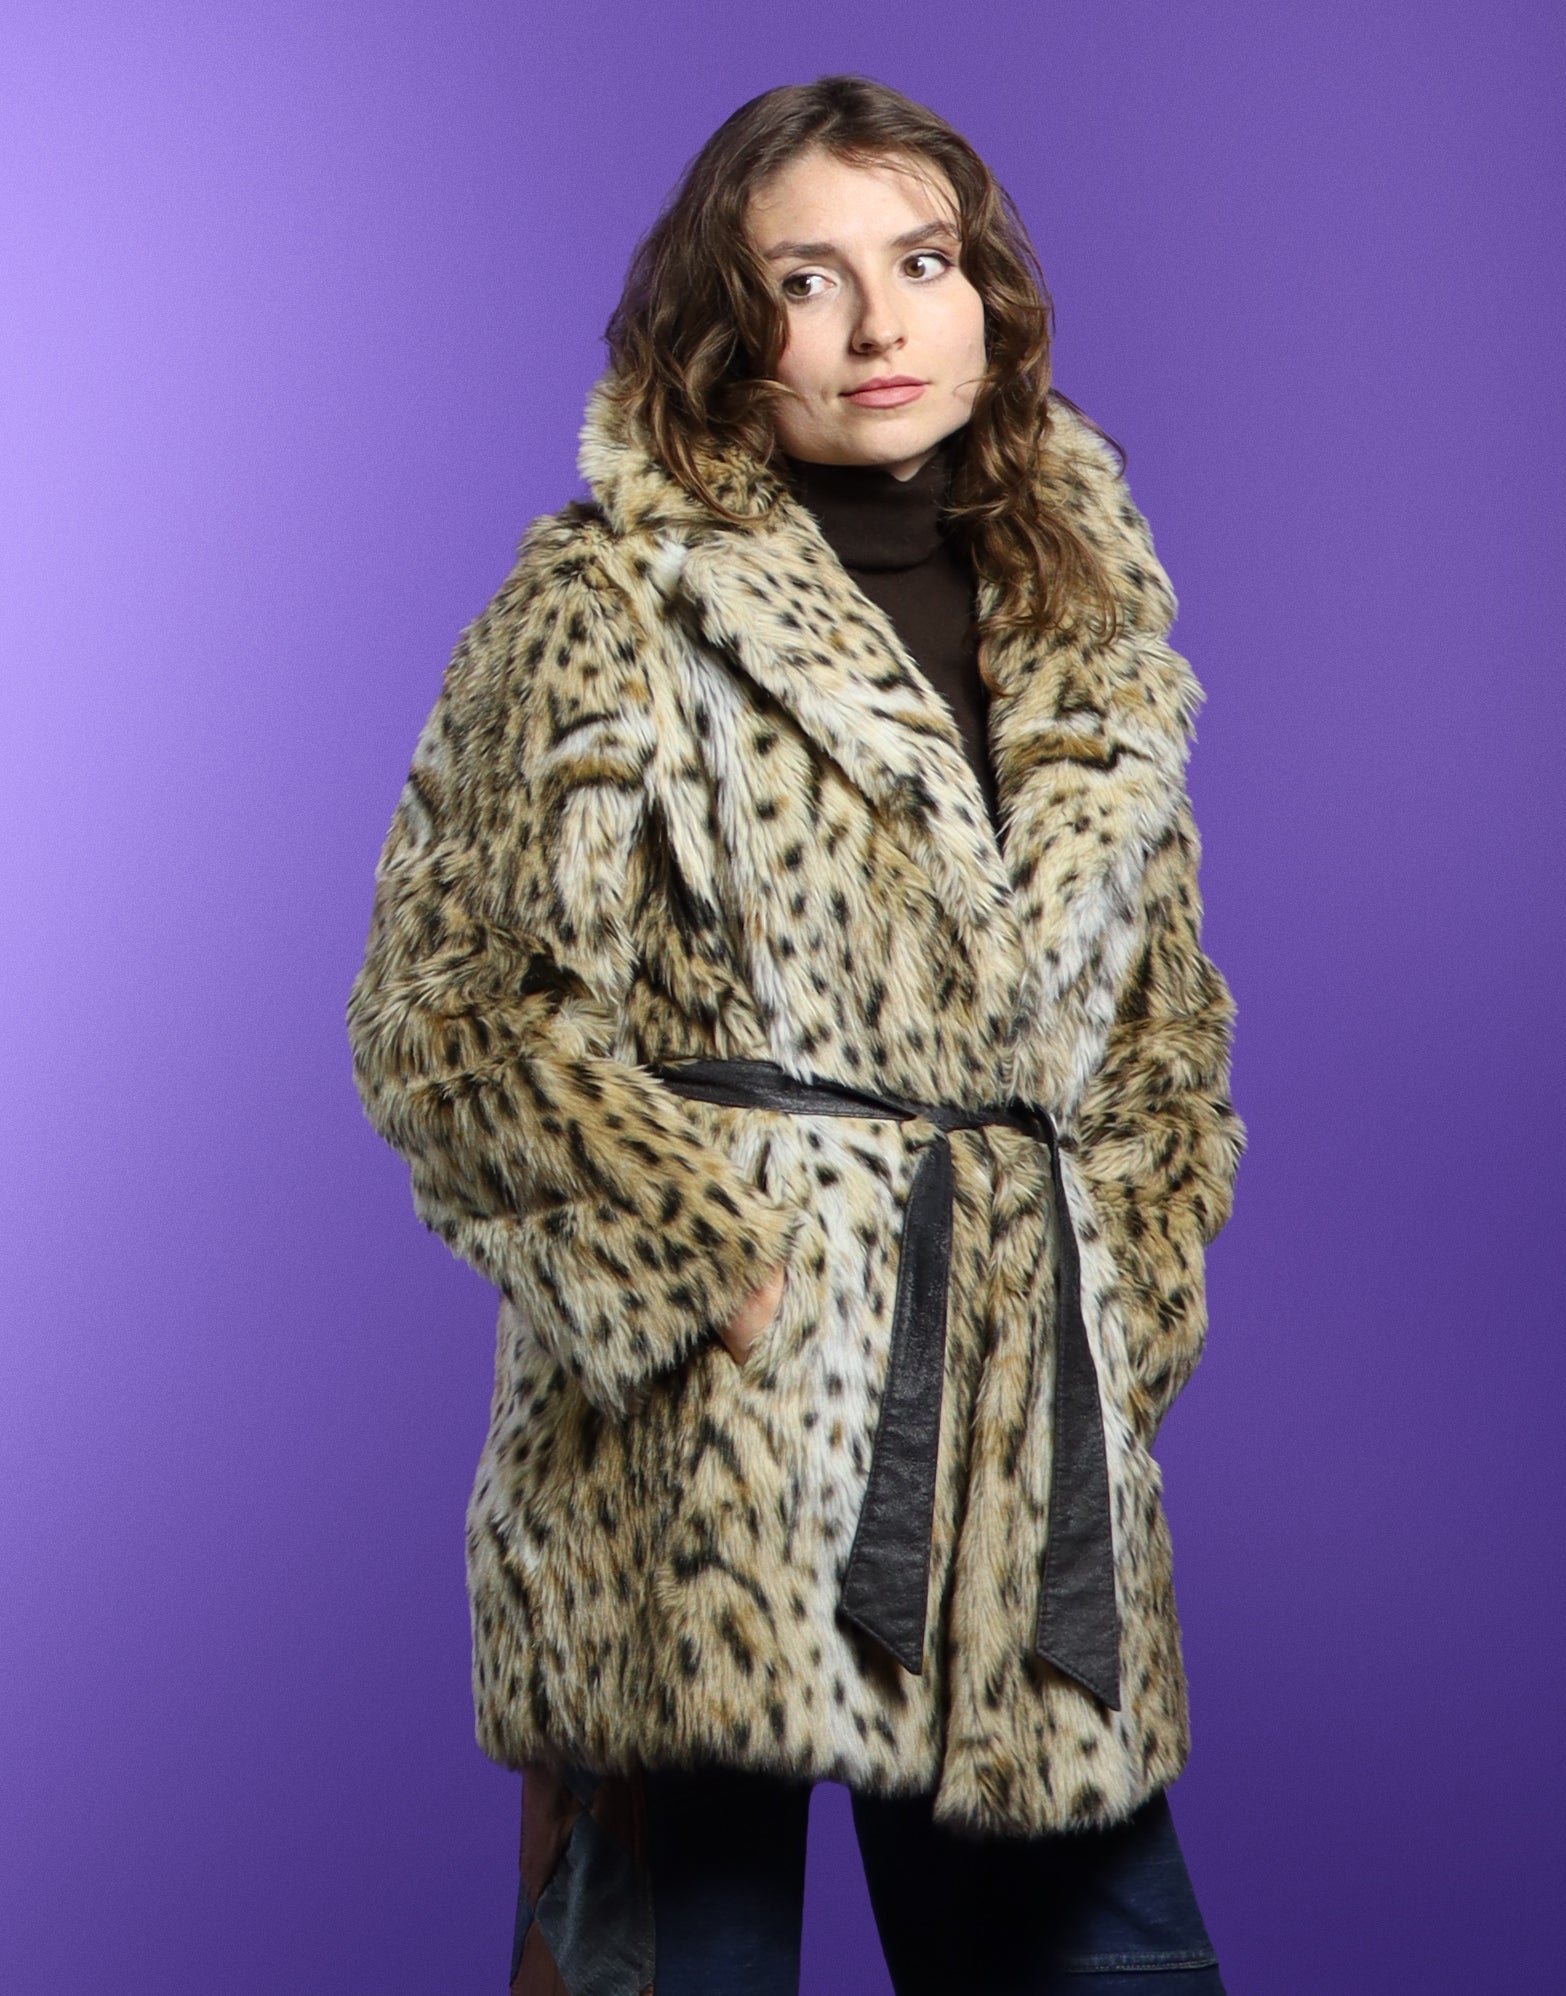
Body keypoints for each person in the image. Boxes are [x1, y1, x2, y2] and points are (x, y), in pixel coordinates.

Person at [347, 72, 1245, 1996]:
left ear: (987, 298)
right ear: (723, 331)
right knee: (674, 1965)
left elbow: (1161, 1043)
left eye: (922, 262)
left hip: (1016, 1430)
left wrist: (1123, 1297)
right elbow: (448, 1010)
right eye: (806, 279)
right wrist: (711, 1277)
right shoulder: (606, 601)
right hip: (703, 1469)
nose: (877, 323)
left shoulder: (1090, 625)